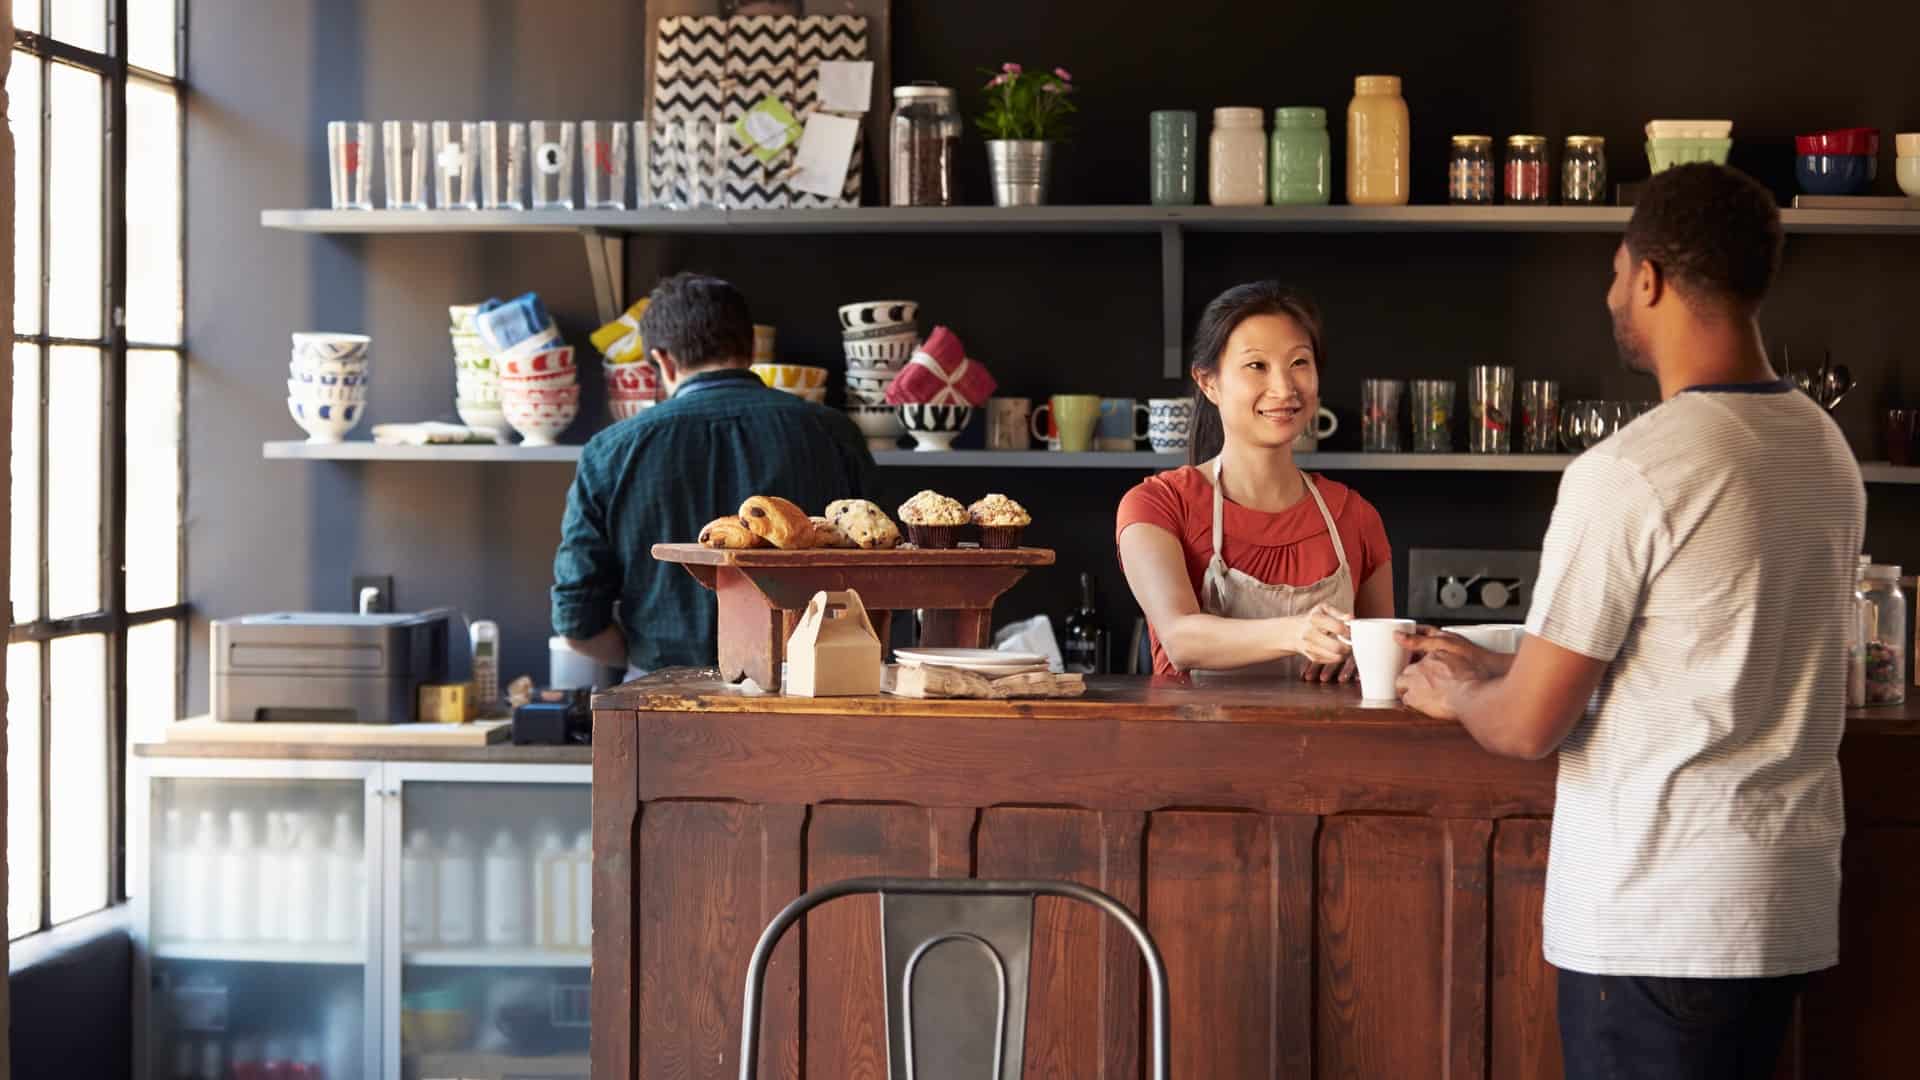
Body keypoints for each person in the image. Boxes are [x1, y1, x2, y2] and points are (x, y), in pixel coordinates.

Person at [1395, 164, 1863, 1079]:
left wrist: (1458, 693)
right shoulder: (1823, 448)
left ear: (1649, 278)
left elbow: (1532, 725)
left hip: (1659, 918)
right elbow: (1691, 653)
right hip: (1781, 907)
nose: (1611, 294)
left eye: (1615, 272)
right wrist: (1500, 668)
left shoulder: (1635, 469)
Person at [552, 272, 874, 676]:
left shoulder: (610, 451)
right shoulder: (834, 434)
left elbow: (576, 620)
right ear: (752, 346)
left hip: (664, 700)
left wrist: (650, 664)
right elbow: (879, 580)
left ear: (662, 361)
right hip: (808, 692)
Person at [1116, 282, 1394, 679]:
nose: (1284, 388)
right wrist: (1297, 632)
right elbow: (1180, 639)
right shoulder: (1157, 506)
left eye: (1299, 362)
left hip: (1327, 741)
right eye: (1256, 366)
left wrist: (1365, 659)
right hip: (1194, 740)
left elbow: (1383, 660)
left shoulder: (1357, 517)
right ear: (1209, 383)